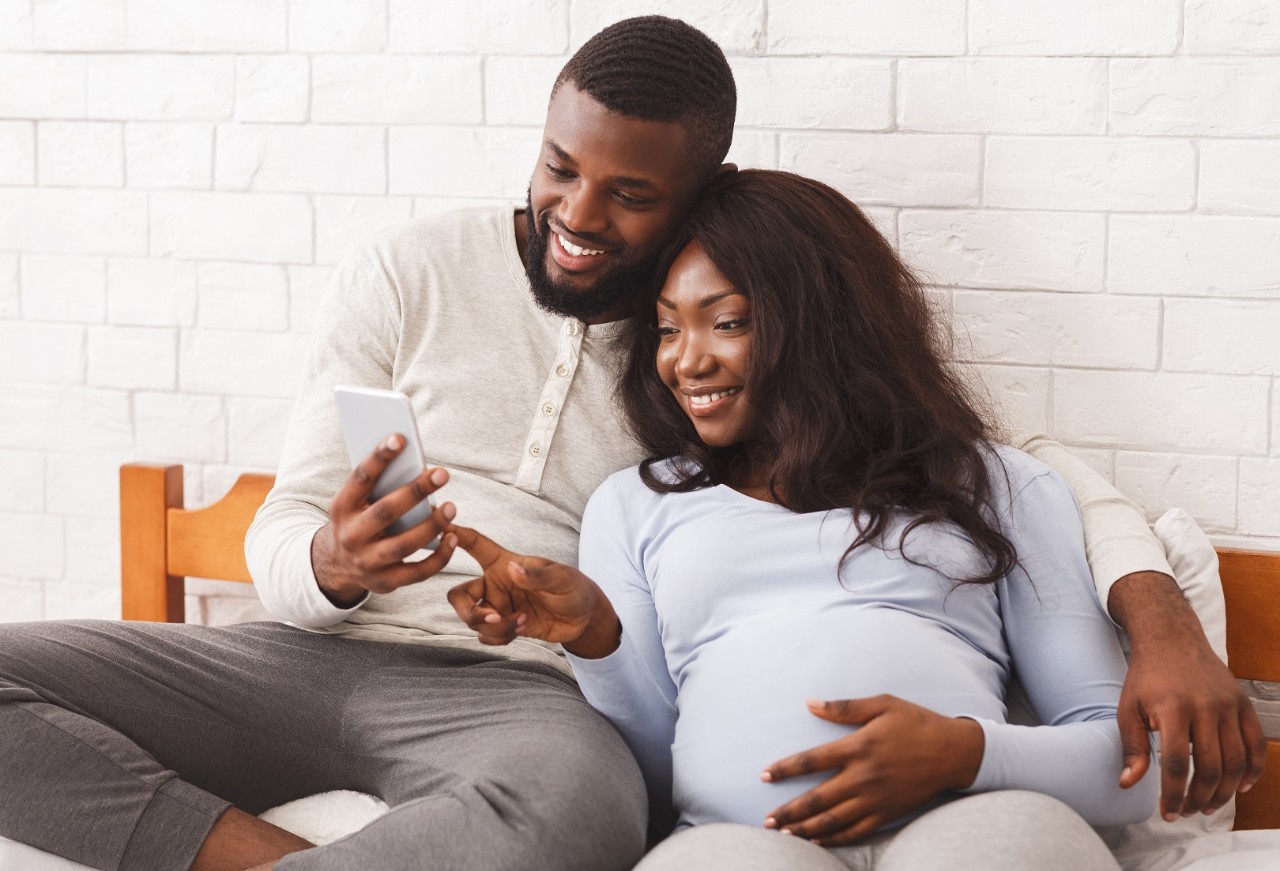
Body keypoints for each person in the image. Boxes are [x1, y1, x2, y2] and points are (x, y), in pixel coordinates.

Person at [0, 14, 1261, 871]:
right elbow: (288, 525)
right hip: (302, 648)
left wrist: (1160, 619)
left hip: (518, 698)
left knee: (581, 803)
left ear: (699, 203)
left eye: (629, 198)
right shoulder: (414, 270)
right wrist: (332, 563)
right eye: (558, 170)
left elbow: (1000, 463)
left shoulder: (733, 361)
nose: (576, 219)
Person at [445, 169, 1162, 869]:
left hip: (971, 819)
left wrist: (965, 751)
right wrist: (597, 640)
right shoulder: (635, 504)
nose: (686, 361)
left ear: (820, 321)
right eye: (667, 329)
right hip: (736, 842)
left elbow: (1130, 765)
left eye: (726, 322)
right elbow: (655, 779)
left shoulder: (992, 483)